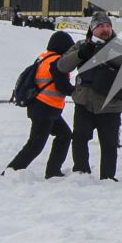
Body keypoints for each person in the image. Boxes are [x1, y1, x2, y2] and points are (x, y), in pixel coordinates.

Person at [55, 11, 122, 180]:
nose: (105, 29)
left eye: (108, 26)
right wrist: (80, 54)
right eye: (101, 26)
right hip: (84, 102)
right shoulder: (82, 45)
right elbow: (62, 66)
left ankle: (108, 177)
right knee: (79, 138)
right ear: (92, 29)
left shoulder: (120, 45)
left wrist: (108, 54)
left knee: (109, 144)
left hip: (111, 103)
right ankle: (81, 172)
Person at [5, 31, 75, 178]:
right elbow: (62, 86)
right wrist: (77, 91)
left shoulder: (44, 57)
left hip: (43, 107)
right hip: (45, 108)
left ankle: (53, 171)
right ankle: (11, 171)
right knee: (35, 145)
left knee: (64, 135)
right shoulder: (57, 61)